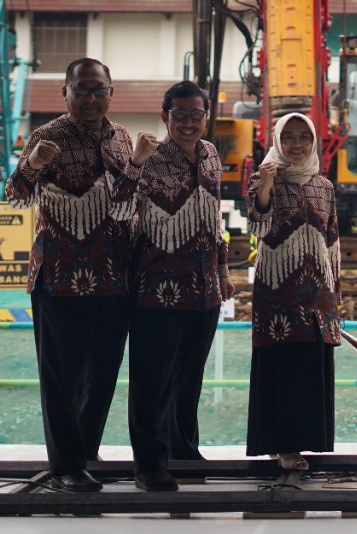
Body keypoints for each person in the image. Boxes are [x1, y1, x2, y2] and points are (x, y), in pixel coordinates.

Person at [6, 57, 153, 493]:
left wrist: (139, 164)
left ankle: (86, 451)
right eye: (81, 89)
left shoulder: (121, 138)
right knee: (61, 374)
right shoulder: (47, 135)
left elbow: (128, 201)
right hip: (59, 274)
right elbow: (16, 196)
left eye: (99, 89)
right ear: (65, 93)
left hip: (114, 274)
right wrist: (32, 164)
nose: (90, 98)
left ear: (112, 92)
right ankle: (65, 465)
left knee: (103, 370)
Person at [126, 81, 236, 492]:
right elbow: (120, 208)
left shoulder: (210, 156)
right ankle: (149, 463)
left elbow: (214, 221)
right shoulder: (150, 160)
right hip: (156, 288)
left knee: (189, 379)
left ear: (206, 117)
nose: (189, 123)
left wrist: (223, 271)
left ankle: (184, 451)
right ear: (164, 117)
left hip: (204, 287)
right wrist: (134, 164)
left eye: (197, 114)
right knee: (152, 381)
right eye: (180, 115)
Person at [244, 112, 341, 471]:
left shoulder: (324, 186)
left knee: (308, 367)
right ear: (277, 141)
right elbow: (257, 225)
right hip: (277, 293)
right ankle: (281, 445)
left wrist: (334, 302)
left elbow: (333, 243)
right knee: (280, 367)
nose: (297, 144)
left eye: (304, 137)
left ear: (314, 142)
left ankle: (305, 441)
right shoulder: (262, 179)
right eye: (289, 138)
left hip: (317, 295)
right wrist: (267, 185)